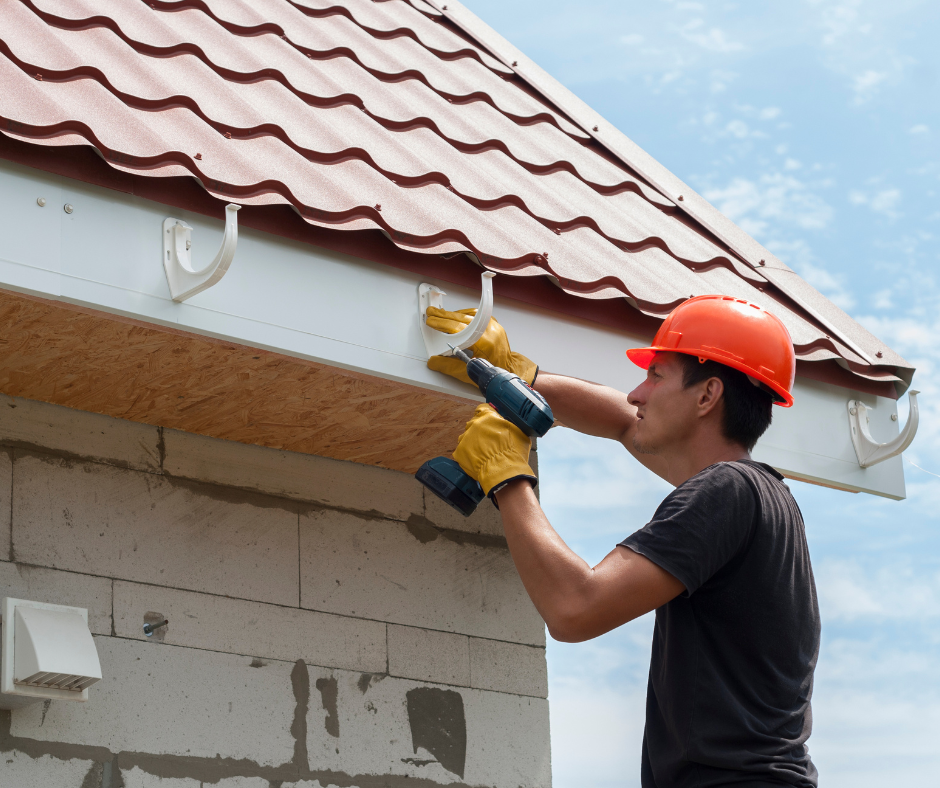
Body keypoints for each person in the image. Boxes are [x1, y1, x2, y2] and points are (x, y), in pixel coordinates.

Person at [426, 295, 820, 788]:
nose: (637, 393)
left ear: (707, 396)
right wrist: (513, 377)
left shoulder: (727, 491)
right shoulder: (763, 498)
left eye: (656, 376)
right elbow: (620, 421)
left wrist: (505, 475)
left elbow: (574, 607)